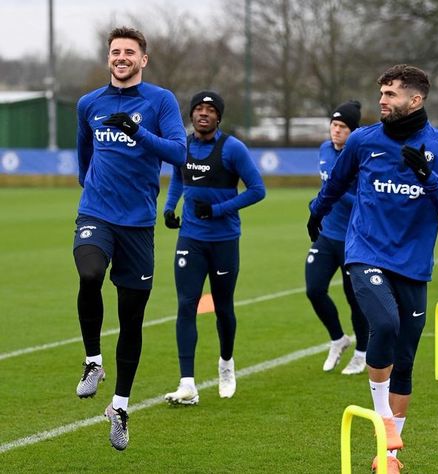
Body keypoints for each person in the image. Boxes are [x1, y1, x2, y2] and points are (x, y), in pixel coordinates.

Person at [307, 64, 438, 473]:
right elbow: (336, 184)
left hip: (413, 264)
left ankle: (388, 457)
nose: (382, 100)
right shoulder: (363, 140)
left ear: (415, 100)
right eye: (382, 93)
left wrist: (427, 177)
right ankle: (385, 423)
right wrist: (316, 212)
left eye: (391, 94)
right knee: (386, 325)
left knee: (406, 360)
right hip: (366, 252)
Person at [73, 26, 186, 450]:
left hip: (138, 222)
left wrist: (137, 132)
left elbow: (179, 153)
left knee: (131, 318)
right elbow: (84, 151)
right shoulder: (89, 103)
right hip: (96, 212)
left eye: (129, 52)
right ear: (109, 59)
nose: (121, 57)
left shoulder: (161, 101)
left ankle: (119, 406)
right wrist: (88, 185)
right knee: (88, 274)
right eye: (115, 52)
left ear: (143, 59)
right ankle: (92, 361)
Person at [163, 90, 266, 405]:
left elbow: (258, 190)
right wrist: (170, 207)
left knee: (223, 307)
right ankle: (187, 384)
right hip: (190, 239)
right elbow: (178, 179)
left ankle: (226, 365)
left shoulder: (232, 148)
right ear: (191, 115)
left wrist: (219, 210)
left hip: (223, 240)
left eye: (210, 110)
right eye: (198, 109)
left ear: (219, 117)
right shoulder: (183, 147)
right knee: (186, 305)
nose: (203, 114)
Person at [305, 100, 369, 375]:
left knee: (354, 298)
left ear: (354, 131)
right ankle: (338, 338)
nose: (336, 131)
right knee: (314, 289)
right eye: (334, 125)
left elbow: (365, 200)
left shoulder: (361, 156)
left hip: (354, 239)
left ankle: (361, 352)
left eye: (343, 127)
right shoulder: (323, 150)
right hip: (327, 235)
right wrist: (319, 202)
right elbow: (324, 188)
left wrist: (335, 189)